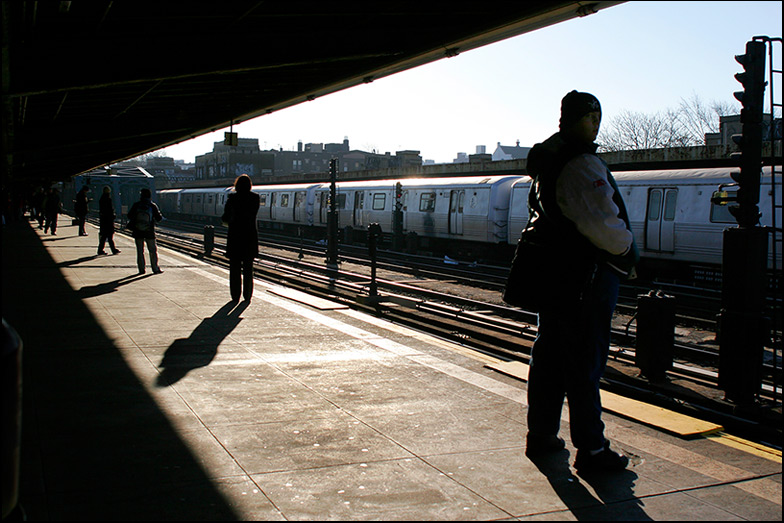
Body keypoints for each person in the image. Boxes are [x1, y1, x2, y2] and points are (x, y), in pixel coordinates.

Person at [522, 91, 639, 474]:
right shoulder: (581, 164)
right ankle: (592, 451)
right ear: (578, 119)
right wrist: (627, 254)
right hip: (585, 279)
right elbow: (602, 224)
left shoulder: (548, 161)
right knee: (585, 364)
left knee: (549, 358)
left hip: (555, 278)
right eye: (592, 116)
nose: (597, 123)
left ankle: (541, 435)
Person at [221, 174, 260, 301]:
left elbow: (225, 217)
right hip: (249, 236)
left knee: (234, 268)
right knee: (249, 268)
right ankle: (247, 295)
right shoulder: (255, 198)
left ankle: (235, 295)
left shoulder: (232, 199)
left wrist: (228, 221)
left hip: (235, 236)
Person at [127, 188, 163, 274]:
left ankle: (141, 269)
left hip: (138, 231)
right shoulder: (152, 206)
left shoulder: (136, 205)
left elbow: (129, 216)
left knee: (140, 251)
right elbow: (159, 218)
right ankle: (155, 268)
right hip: (149, 232)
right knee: (152, 251)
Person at [97, 186, 121, 255]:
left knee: (104, 236)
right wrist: (113, 216)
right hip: (108, 220)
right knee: (109, 235)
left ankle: (101, 249)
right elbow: (109, 210)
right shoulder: (108, 199)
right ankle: (112, 250)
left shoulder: (101, 199)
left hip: (104, 220)